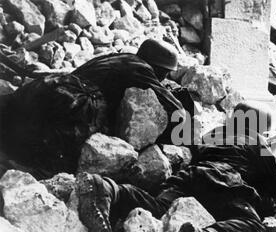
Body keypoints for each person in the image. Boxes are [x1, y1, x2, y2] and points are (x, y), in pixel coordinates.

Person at [76, 102, 276, 232]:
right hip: (226, 182)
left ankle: (107, 189)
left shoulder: (212, 134)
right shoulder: (258, 142)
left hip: (189, 177)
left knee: (160, 208)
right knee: (250, 224)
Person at [0, 39, 185, 179]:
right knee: (42, 161)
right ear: (160, 69)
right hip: (74, 102)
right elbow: (176, 109)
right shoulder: (142, 69)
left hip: (51, 85)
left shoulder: (117, 57)